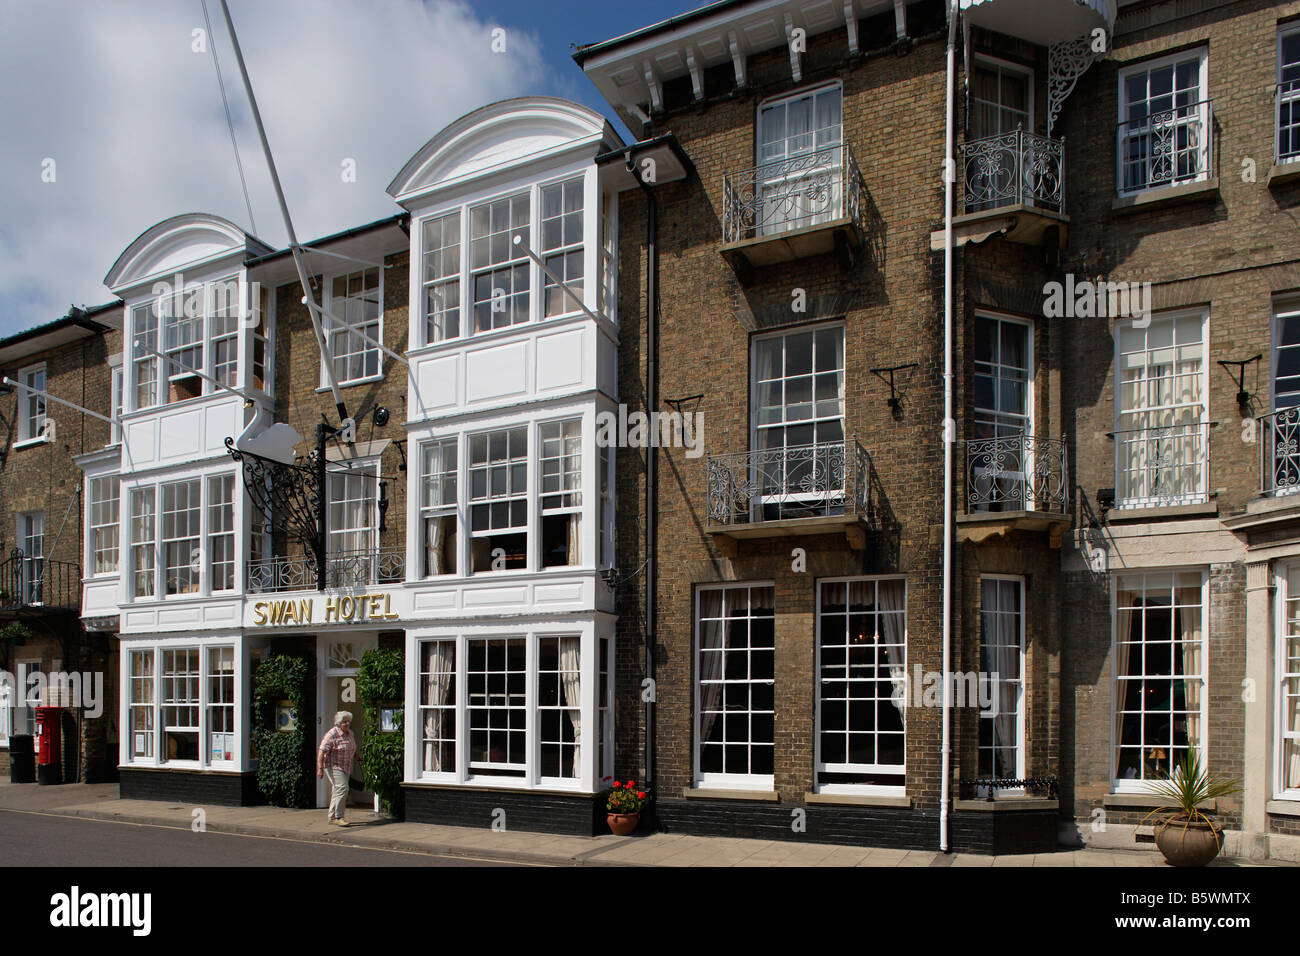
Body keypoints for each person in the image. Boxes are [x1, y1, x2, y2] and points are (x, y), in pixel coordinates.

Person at [317, 711, 359, 826]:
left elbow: (350, 747)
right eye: (344, 722)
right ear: (338, 723)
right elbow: (321, 751)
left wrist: (356, 756)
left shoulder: (350, 733)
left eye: (348, 721)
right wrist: (320, 768)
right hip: (333, 766)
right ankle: (339, 816)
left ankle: (331, 817)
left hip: (346, 765)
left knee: (337, 790)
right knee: (343, 788)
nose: (347, 724)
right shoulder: (332, 734)